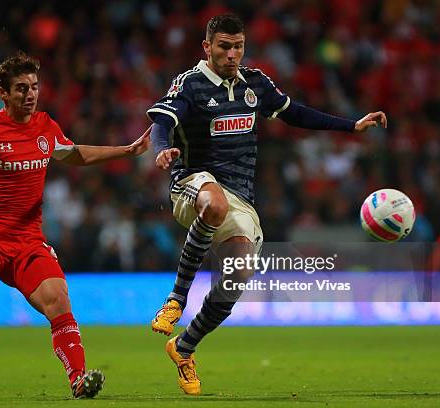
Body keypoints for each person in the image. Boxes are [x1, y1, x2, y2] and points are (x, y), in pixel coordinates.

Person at [147, 14, 387, 395]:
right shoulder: (190, 84)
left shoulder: (254, 83)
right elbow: (162, 121)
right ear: (207, 47)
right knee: (214, 204)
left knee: (237, 277)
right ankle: (176, 299)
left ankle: (184, 346)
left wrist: (351, 125)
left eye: (238, 46)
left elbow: (294, 113)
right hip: (192, 184)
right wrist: (161, 151)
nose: (232, 54)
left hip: (240, 199)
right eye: (224, 46)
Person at [0, 52, 150, 399]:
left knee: (58, 299)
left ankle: (78, 378)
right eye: (21, 89)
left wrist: (127, 151)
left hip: (28, 239)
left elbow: (74, 153)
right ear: (3, 93)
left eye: (34, 87)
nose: (30, 94)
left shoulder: (45, 126)